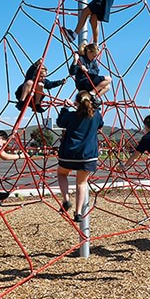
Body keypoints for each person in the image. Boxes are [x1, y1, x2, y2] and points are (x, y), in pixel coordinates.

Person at [56, 90, 104, 222]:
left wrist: (65, 108)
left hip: (69, 153)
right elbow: (100, 124)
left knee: (61, 174)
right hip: (87, 155)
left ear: (76, 102)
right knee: (81, 183)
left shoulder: (71, 116)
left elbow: (60, 123)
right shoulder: (96, 115)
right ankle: (78, 213)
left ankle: (66, 200)